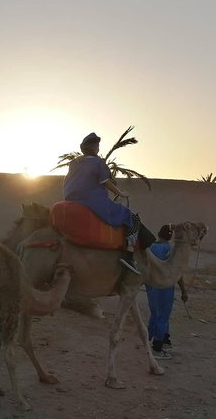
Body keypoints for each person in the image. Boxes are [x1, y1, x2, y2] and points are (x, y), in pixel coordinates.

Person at [63, 132, 150, 274]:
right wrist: (120, 193)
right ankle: (128, 256)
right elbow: (105, 182)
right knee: (132, 218)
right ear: (95, 147)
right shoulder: (99, 163)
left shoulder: (74, 163)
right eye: (97, 145)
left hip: (70, 200)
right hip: (92, 202)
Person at [146, 224, 188, 359]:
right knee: (163, 316)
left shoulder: (150, 248)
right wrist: (183, 290)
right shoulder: (169, 250)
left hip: (151, 285)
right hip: (164, 287)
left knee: (154, 314)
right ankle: (157, 348)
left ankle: (151, 340)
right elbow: (177, 272)